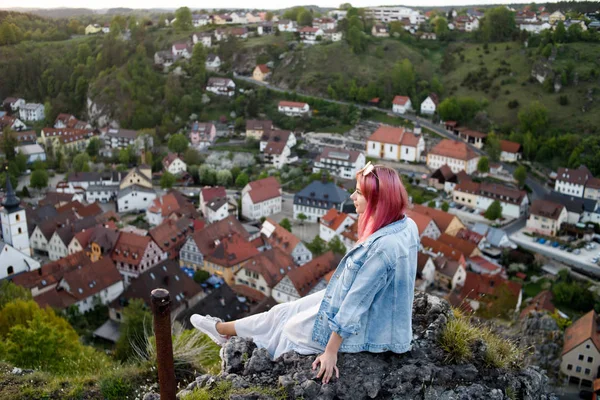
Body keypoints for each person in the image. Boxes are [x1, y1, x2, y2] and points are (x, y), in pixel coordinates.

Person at [191, 162, 418, 383]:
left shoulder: (383, 248)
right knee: (281, 311)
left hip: (371, 327)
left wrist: (330, 352)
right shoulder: (406, 225)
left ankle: (265, 368)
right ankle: (223, 330)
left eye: (358, 193)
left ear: (378, 202)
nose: (351, 197)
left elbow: (355, 306)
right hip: (373, 312)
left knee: (290, 329)